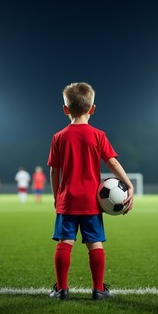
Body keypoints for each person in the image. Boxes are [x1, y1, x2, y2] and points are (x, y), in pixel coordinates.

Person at [47, 82, 134, 301]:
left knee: (65, 243)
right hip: (92, 202)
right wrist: (129, 184)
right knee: (94, 244)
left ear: (65, 109)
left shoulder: (59, 137)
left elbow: (54, 171)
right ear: (92, 109)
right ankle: (98, 289)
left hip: (67, 200)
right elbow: (112, 163)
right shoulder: (98, 135)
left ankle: (62, 289)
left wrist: (57, 197)